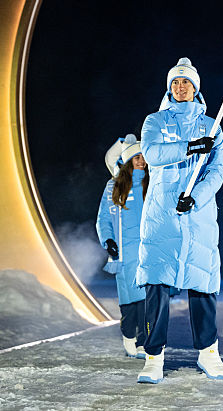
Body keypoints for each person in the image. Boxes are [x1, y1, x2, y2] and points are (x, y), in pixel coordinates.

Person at [135, 57, 223, 383]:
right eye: (175, 82)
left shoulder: (212, 127)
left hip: (198, 217)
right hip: (163, 215)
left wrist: (197, 197)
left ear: (196, 88)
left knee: (202, 285)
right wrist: (189, 147)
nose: (180, 87)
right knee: (157, 286)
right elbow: (152, 154)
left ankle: (208, 354)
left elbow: (218, 170)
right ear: (169, 87)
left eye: (186, 82)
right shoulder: (154, 121)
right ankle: (153, 358)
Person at [96, 134, 149, 359]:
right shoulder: (114, 186)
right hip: (125, 254)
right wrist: (108, 241)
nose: (142, 161)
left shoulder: (151, 183)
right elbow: (103, 219)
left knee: (148, 302)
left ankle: (145, 342)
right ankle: (129, 335)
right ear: (127, 160)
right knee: (130, 301)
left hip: (148, 252)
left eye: (144, 156)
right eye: (136, 157)